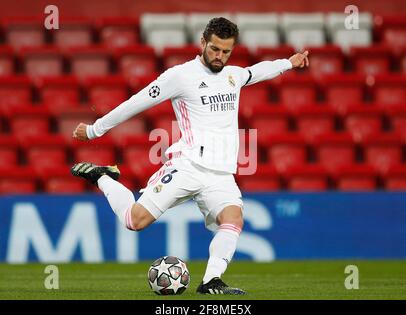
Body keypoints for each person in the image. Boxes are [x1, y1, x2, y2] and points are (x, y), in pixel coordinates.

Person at [71, 17, 309, 295]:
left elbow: (257, 71)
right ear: (203, 43)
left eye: (226, 51)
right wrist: (94, 130)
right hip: (187, 166)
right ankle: (103, 177)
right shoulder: (180, 76)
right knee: (134, 221)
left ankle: (210, 282)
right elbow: (137, 102)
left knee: (234, 219)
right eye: (215, 49)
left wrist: (288, 63)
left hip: (220, 174)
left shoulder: (233, 75)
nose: (219, 56)